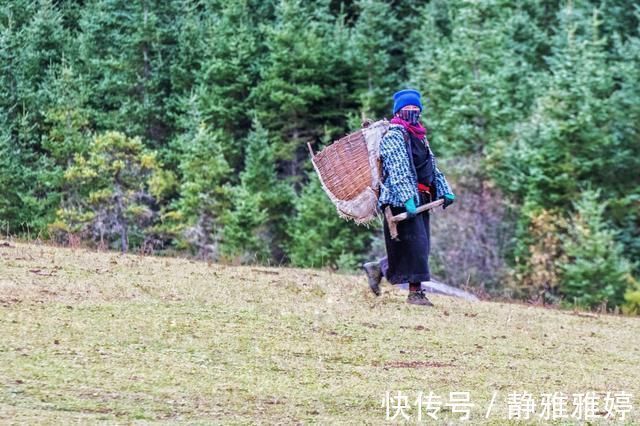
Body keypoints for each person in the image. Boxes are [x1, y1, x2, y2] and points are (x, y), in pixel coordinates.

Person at [362, 89, 455, 306]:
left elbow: (432, 168)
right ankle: (415, 294)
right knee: (416, 247)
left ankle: (378, 269)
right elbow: (398, 170)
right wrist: (407, 199)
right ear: (399, 112)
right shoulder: (394, 136)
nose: (412, 112)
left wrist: (445, 190)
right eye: (407, 109)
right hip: (399, 201)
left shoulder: (420, 137)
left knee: (419, 247)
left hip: (421, 198)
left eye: (416, 109)